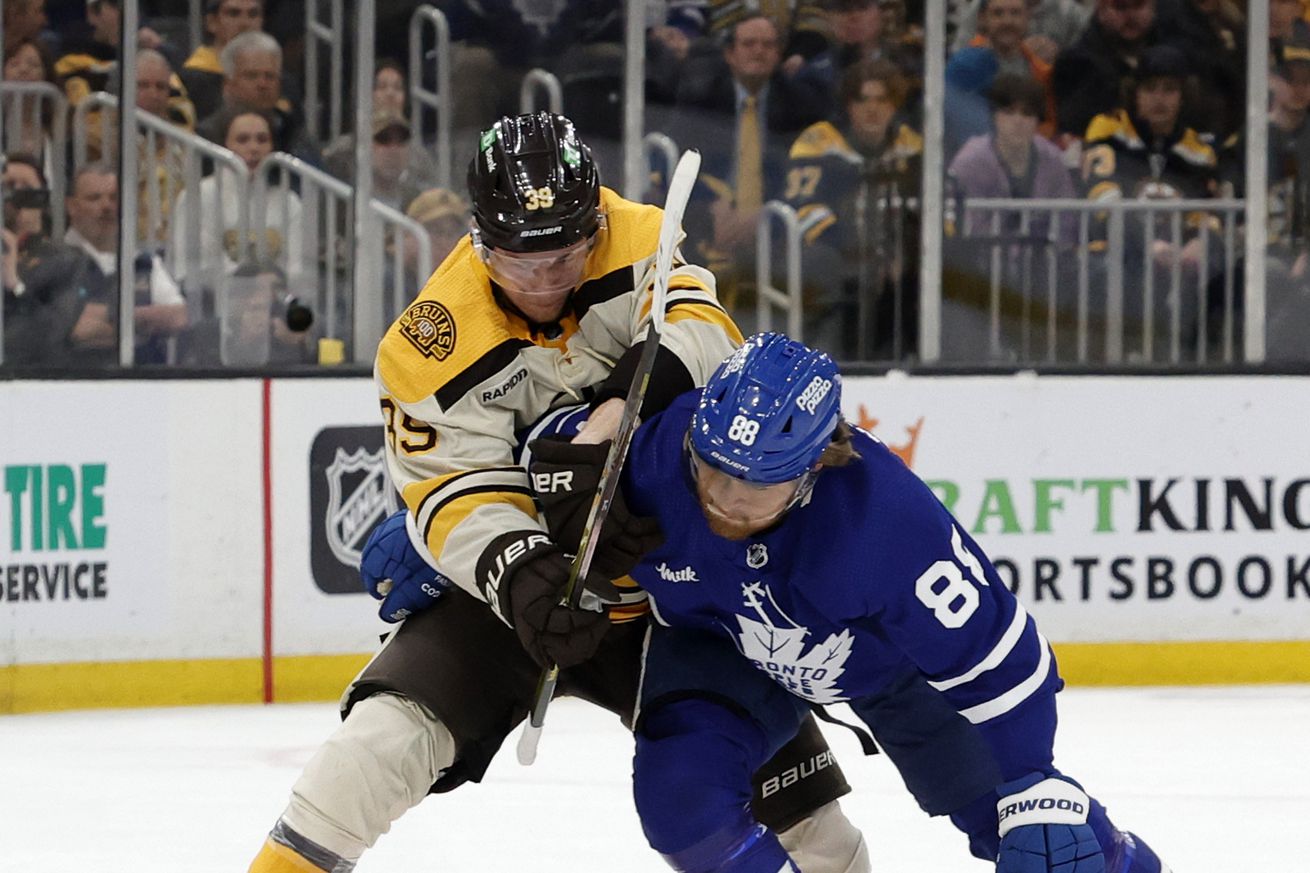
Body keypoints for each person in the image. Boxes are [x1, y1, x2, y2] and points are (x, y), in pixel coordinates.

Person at [246, 112, 869, 873]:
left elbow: (708, 335)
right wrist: (523, 575)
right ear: (478, 238)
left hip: (674, 586)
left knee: (819, 833)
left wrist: (618, 409)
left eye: (565, 253)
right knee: (370, 752)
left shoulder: (637, 234)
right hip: (517, 595)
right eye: (519, 260)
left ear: (594, 221)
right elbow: (451, 489)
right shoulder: (426, 344)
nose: (546, 280)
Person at [600, 331, 1174, 873]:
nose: (724, 500)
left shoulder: (883, 523)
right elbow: (542, 454)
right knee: (683, 803)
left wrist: (1031, 779)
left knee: (1050, 844)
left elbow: (995, 654)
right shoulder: (650, 457)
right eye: (712, 470)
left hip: (891, 666)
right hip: (722, 644)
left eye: (757, 487)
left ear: (814, 467)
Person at [783, 58, 923, 359]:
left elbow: (930, 208)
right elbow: (804, 208)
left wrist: (905, 252)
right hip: (834, 255)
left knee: (924, 278)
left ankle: (915, 362)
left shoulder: (912, 146)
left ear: (895, 105)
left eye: (882, 100)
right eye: (863, 100)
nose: (872, 109)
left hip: (892, 261)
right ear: (849, 105)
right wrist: (860, 252)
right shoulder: (818, 141)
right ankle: (822, 358)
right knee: (825, 268)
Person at [63, 163, 187, 364]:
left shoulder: (143, 262)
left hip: (147, 383)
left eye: (113, 198)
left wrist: (112, 316)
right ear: (72, 207)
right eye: (94, 198)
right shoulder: (57, 262)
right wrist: (146, 321)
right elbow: (78, 331)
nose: (106, 206)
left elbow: (179, 317)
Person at [181, 0, 265, 121]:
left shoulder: (276, 80)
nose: (245, 23)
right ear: (212, 22)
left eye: (253, 14)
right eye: (234, 13)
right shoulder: (189, 81)